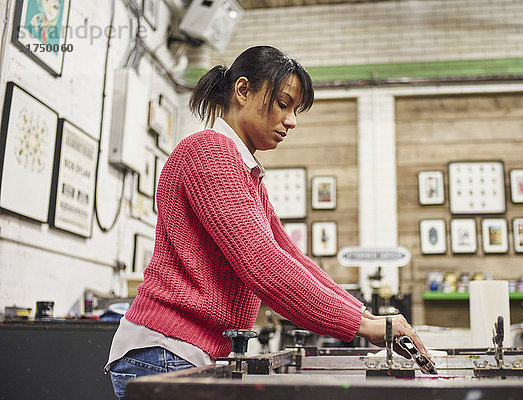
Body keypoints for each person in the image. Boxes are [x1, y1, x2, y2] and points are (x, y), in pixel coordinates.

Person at [105, 45, 431, 399]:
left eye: (294, 110)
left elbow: (291, 257)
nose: (291, 121)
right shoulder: (208, 152)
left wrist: (366, 316)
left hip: (180, 352)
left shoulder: (244, 172)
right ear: (243, 91)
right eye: (282, 104)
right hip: (166, 351)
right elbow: (264, 265)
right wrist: (365, 325)